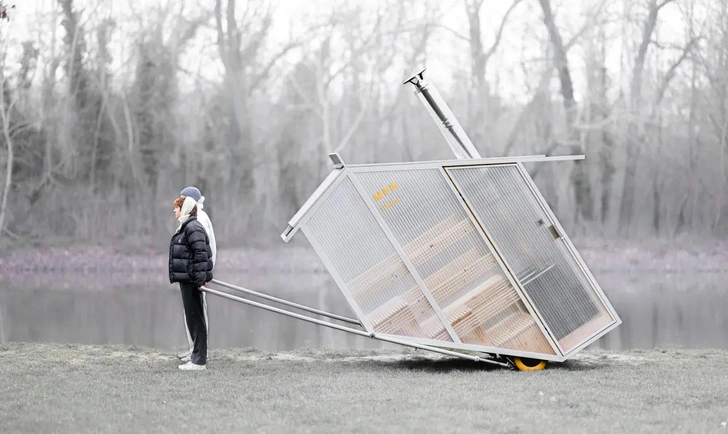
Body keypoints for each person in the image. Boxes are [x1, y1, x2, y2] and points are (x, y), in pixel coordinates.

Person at [169, 195, 213, 370]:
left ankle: (199, 361)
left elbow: (201, 254)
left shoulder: (192, 227)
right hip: (188, 280)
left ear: (185, 209)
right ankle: (196, 356)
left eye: (177, 207)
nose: (174, 210)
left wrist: (200, 280)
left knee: (196, 319)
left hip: (192, 281)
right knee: (193, 319)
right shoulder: (188, 226)